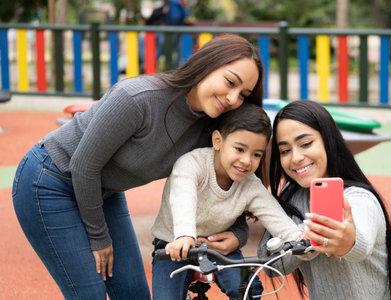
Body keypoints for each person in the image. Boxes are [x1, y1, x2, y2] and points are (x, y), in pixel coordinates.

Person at [11, 34, 263, 300]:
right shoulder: (137, 98)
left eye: (243, 95)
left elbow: (224, 188)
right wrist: (99, 238)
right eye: (230, 82)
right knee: (90, 294)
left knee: (134, 294)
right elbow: (84, 165)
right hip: (50, 179)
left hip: (104, 192)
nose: (234, 98)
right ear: (207, 64)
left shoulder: (212, 128)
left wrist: (238, 233)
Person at [258, 100, 391, 300]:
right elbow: (270, 265)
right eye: (285, 150)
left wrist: (347, 241)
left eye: (305, 144)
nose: (295, 157)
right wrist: (304, 244)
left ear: (328, 140)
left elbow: (361, 245)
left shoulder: (360, 198)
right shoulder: (289, 201)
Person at [151, 103, 304, 300]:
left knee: (248, 290)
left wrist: (298, 239)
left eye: (256, 154)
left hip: (217, 247)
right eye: (239, 149)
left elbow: (275, 216)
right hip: (174, 245)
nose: (247, 161)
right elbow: (183, 199)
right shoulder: (191, 165)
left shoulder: (250, 185)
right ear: (217, 141)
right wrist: (184, 235)